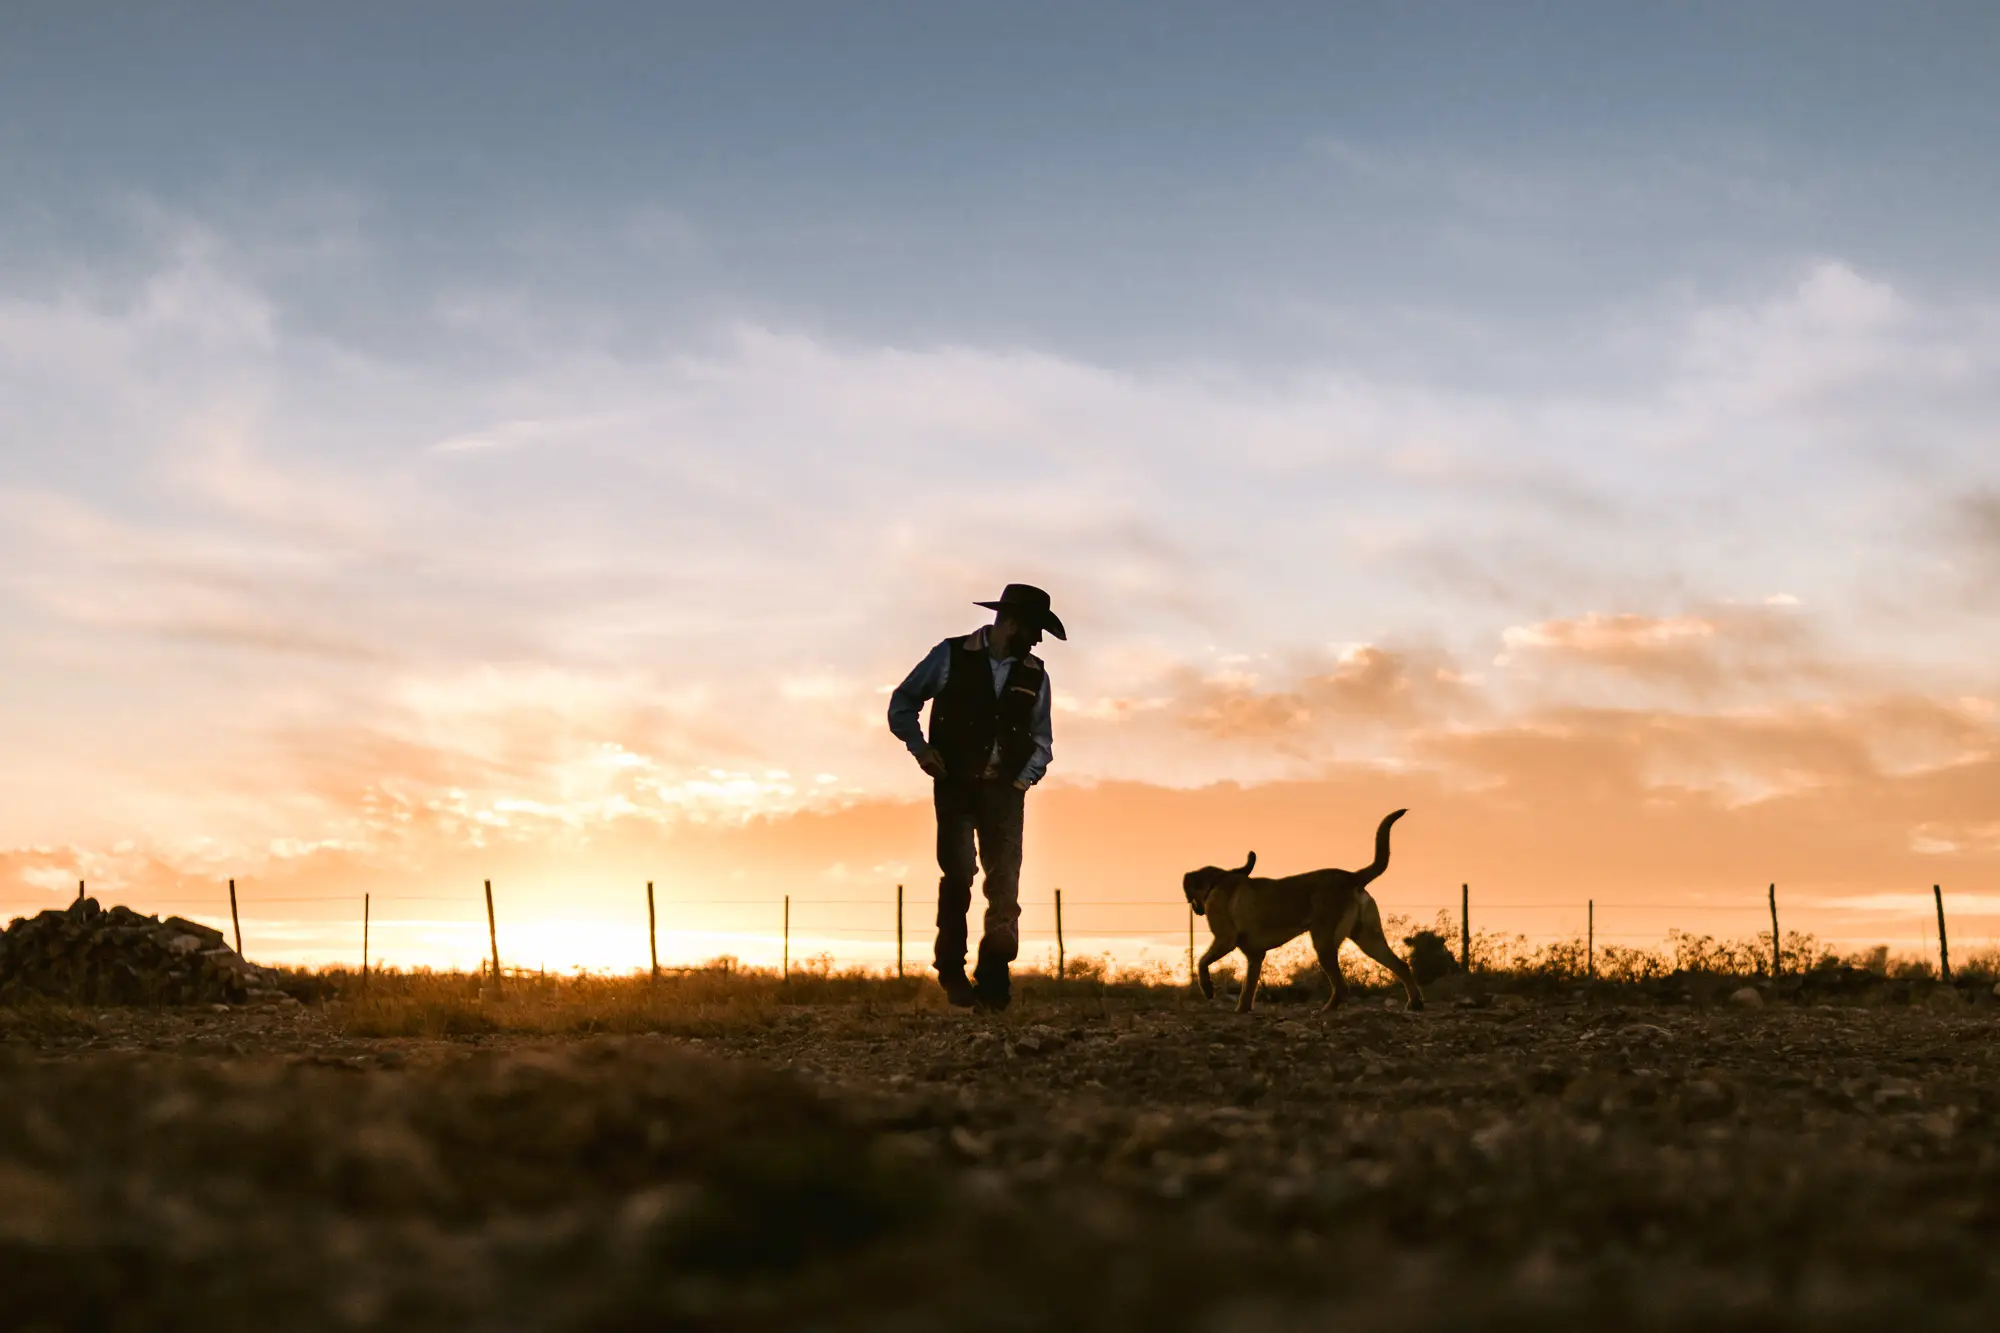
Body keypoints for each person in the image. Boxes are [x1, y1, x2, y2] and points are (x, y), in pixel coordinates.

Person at [887, 583, 1063, 1010]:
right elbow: (902, 703)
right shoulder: (949, 655)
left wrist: (1022, 781)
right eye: (1035, 629)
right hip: (955, 787)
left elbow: (1043, 739)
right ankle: (951, 969)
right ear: (1011, 623)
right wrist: (922, 750)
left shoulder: (1035, 674)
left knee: (1004, 886)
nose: (1038, 640)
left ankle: (994, 979)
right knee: (959, 874)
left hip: (1005, 794)